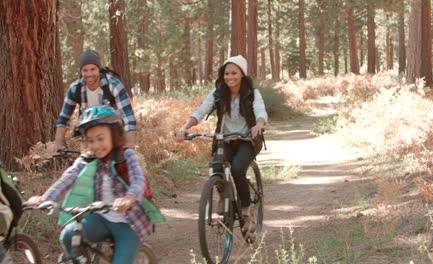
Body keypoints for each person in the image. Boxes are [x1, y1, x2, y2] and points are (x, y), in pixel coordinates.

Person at [25, 105, 151, 264]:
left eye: (101, 138)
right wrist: (45, 198)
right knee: (68, 236)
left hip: (129, 222)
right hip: (101, 217)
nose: (96, 145)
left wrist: (130, 197)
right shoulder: (88, 159)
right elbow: (67, 178)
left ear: (114, 135)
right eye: (90, 140)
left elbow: (138, 180)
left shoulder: (127, 156)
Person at [175, 55, 267, 233]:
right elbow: (201, 110)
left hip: (247, 139)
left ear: (242, 74)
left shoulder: (252, 94)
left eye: (234, 73)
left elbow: (260, 111)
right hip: (224, 139)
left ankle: (248, 212)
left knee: (238, 169)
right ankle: (225, 201)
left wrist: (259, 124)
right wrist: (184, 127)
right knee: (216, 167)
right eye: (226, 73)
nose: (229, 77)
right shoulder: (218, 93)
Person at [49, 49, 137, 154]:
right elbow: (64, 119)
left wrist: (129, 143)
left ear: (99, 69)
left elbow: (128, 117)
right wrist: (57, 144)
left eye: (92, 69)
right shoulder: (75, 89)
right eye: (85, 70)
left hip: (113, 133)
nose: (89, 74)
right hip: (90, 136)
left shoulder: (113, 85)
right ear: (81, 71)